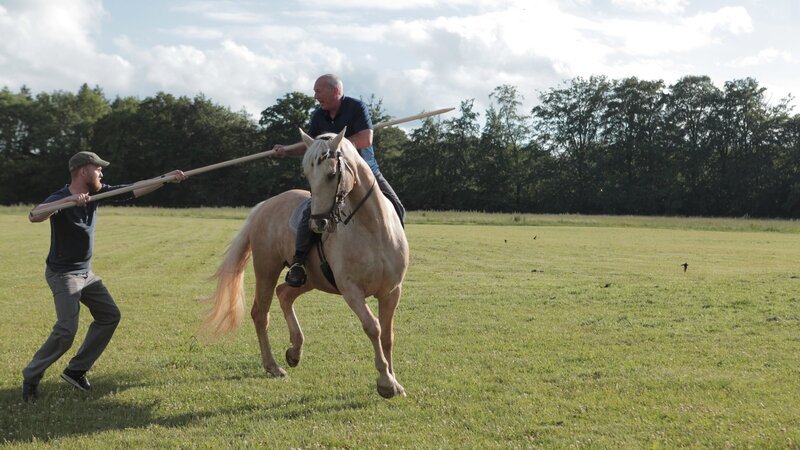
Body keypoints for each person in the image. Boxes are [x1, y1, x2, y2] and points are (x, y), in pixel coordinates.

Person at [21, 151, 186, 402]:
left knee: (109, 316)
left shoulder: (98, 192)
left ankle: (75, 370)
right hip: (63, 274)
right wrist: (70, 201)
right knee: (66, 330)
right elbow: (35, 215)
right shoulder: (61, 197)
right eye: (98, 168)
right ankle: (31, 377)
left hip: (86, 274)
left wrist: (165, 179)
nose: (101, 172)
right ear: (83, 171)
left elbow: (133, 189)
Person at [272, 74, 405, 288]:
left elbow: (365, 139)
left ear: (335, 91)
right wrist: (285, 151)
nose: (315, 96)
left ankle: (396, 254)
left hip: (366, 175)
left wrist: (338, 146)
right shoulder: (318, 116)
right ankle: (299, 262)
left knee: (397, 206)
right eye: (315, 92)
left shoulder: (356, 108)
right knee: (312, 213)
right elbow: (312, 146)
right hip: (332, 178)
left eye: (318, 91)